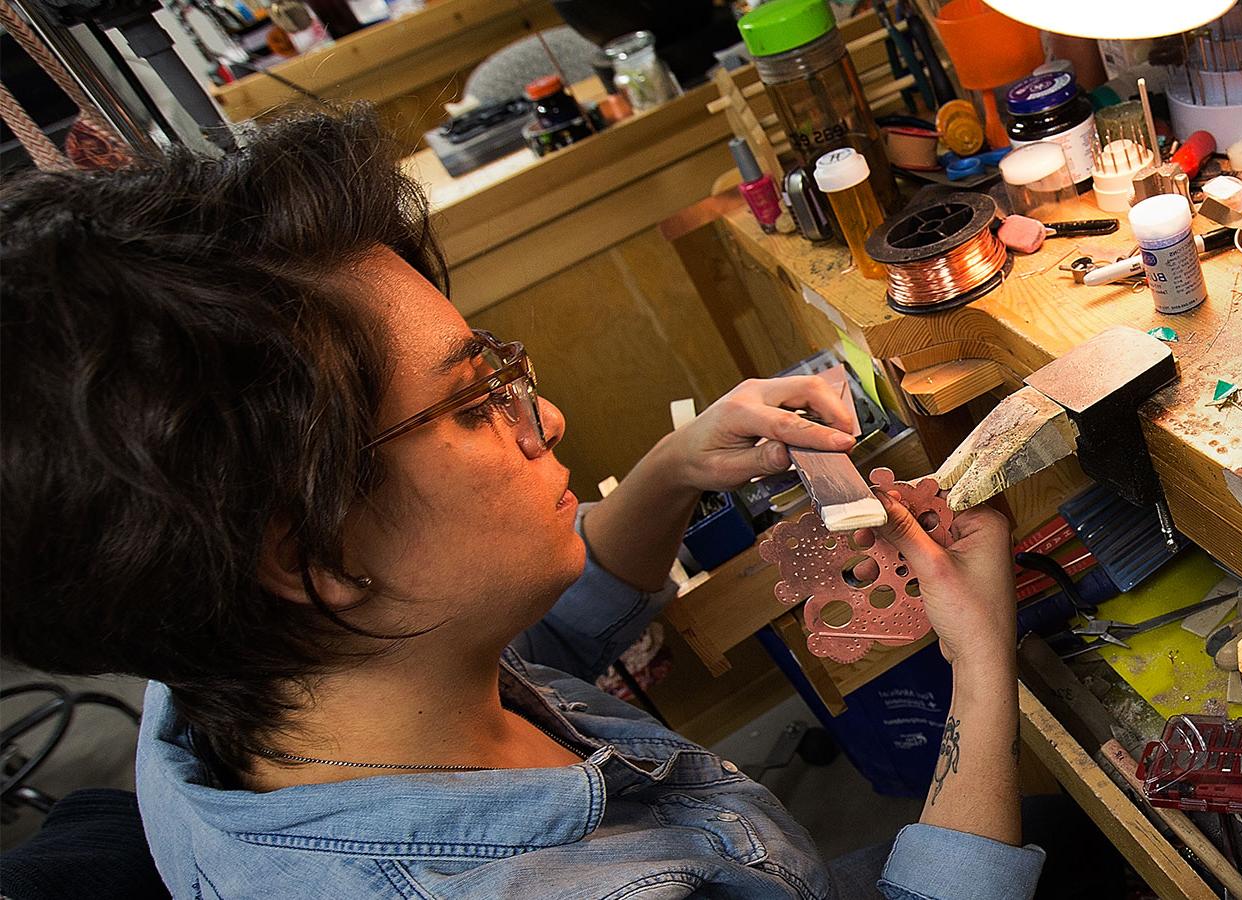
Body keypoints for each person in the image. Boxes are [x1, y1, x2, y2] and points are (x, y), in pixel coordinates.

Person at [0, 109, 1041, 899]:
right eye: (466, 405)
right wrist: (981, 667)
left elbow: (535, 636)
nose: (541, 416)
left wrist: (676, 467)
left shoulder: (228, 688)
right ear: (309, 554)